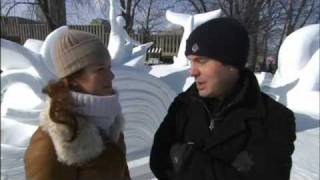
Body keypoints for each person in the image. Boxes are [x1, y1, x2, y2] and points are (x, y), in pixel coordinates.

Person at [149, 17, 296, 180]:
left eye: (201, 61)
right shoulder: (183, 105)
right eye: (191, 61)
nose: (193, 71)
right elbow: (158, 162)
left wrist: (189, 162)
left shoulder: (274, 119)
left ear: (232, 64)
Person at [24, 30, 130, 180]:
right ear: (73, 78)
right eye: (100, 69)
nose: (111, 76)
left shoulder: (111, 121)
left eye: (109, 67)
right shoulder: (54, 140)